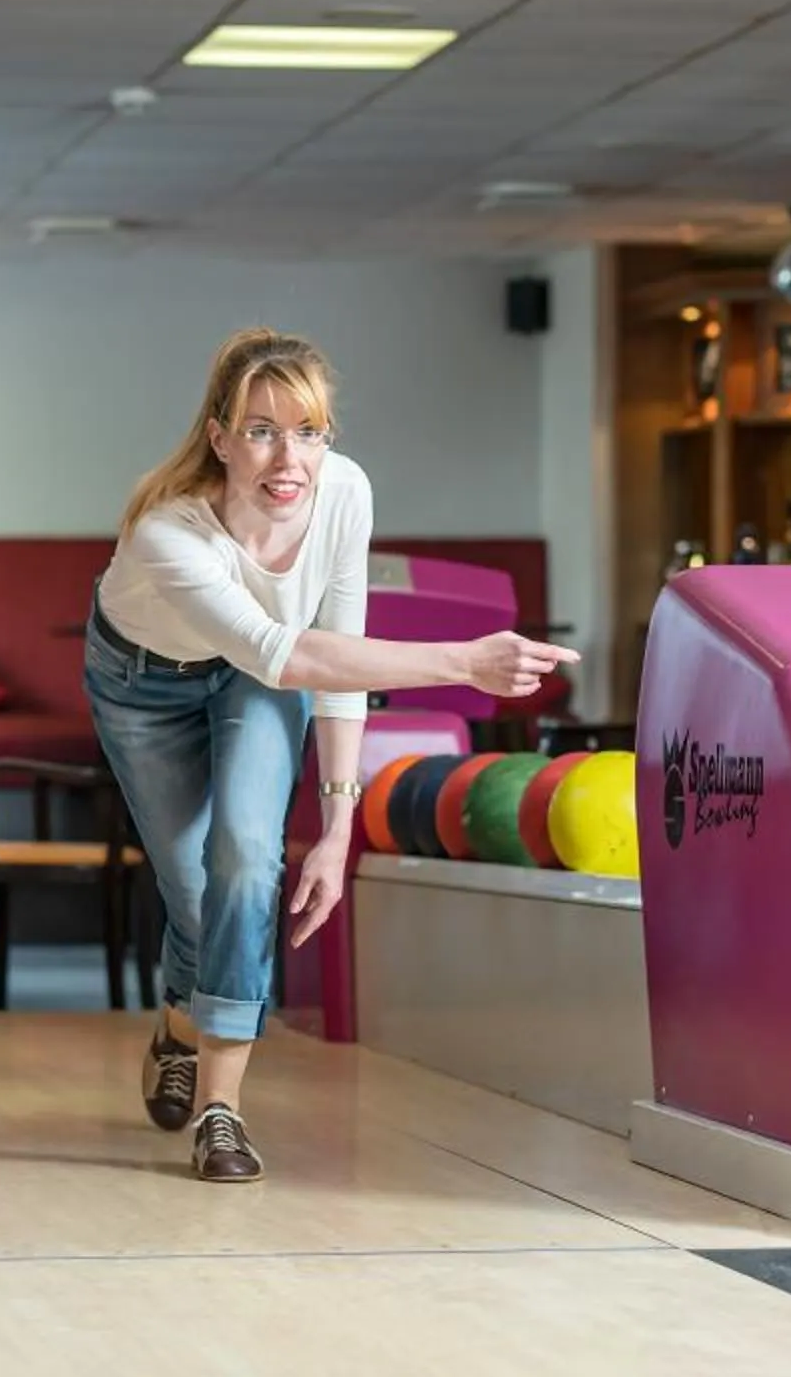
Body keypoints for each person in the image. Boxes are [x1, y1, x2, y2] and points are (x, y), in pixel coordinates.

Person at [88, 327, 574, 1183]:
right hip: (143, 687)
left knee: (245, 863)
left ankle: (221, 1109)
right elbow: (289, 654)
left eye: (308, 431)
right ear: (219, 439)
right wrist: (464, 661)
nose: (289, 457)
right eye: (262, 430)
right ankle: (178, 1018)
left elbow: (337, 649)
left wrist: (341, 823)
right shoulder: (171, 531)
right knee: (195, 894)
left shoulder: (345, 494)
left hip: (261, 675)